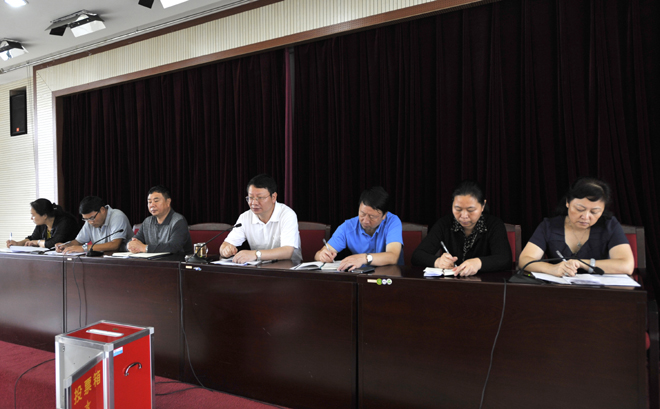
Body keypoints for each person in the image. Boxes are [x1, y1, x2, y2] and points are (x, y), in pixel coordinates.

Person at [518, 177, 634, 276]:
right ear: (568, 202)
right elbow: (524, 260)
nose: (586, 217)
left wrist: (581, 263)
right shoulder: (549, 226)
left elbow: (627, 266)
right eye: (580, 209)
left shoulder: (609, 225)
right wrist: (551, 268)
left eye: (594, 212)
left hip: (600, 292)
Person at [411, 181, 512, 276]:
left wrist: (478, 263)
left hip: (484, 283)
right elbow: (417, 256)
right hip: (453, 283)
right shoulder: (445, 224)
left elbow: (505, 259)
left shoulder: (494, 225)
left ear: (483, 205)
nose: (463, 216)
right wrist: (437, 262)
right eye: (458, 209)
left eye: (470, 210)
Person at [315, 186, 403, 271]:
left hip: (389, 276)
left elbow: (393, 257)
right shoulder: (348, 226)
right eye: (362, 213)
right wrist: (322, 256)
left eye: (372, 216)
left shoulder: (392, 221)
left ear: (384, 215)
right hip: (361, 276)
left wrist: (363, 258)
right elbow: (318, 254)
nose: (365, 220)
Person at [220, 174, 302, 264]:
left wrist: (255, 254)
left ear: (273, 197)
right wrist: (226, 250)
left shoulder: (287, 214)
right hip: (259, 268)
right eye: (250, 198)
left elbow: (287, 252)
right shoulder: (245, 217)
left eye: (260, 198)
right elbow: (225, 245)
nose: (254, 203)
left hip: (288, 267)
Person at [127, 185, 193, 255]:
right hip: (153, 261)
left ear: (168, 202)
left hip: (177, 260)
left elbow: (173, 246)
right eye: (149, 202)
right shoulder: (147, 222)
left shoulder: (179, 221)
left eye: (156, 201)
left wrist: (145, 248)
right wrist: (131, 245)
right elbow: (136, 240)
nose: (152, 205)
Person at [56, 196, 134, 254]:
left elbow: (115, 245)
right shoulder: (89, 221)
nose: (90, 222)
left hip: (123, 260)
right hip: (101, 258)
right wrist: (66, 245)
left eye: (92, 218)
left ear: (102, 210)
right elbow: (79, 241)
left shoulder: (117, 216)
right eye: (86, 219)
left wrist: (84, 248)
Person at [5, 198, 78, 249]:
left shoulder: (65, 222)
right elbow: (33, 238)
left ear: (44, 216)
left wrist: (38, 242)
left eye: (33, 215)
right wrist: (17, 244)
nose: (31, 218)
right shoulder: (42, 224)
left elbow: (53, 243)